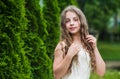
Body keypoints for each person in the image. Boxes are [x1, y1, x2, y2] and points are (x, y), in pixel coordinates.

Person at [53, 5, 106, 79]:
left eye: (75, 19)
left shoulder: (88, 44)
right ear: (64, 25)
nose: (71, 23)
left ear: (81, 21)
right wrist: (69, 56)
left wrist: (95, 48)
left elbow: (101, 73)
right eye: (67, 21)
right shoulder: (62, 46)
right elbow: (56, 75)